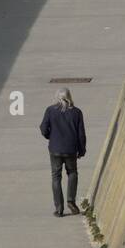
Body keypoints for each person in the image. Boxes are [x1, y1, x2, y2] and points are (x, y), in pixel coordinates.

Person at [39, 88, 86, 217]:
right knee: (72, 173)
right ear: (69, 97)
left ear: (56, 97)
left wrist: (51, 137)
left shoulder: (50, 110)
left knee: (56, 177)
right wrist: (82, 150)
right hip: (70, 149)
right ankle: (71, 201)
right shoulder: (77, 112)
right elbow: (81, 134)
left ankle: (59, 208)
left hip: (55, 149)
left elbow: (43, 128)